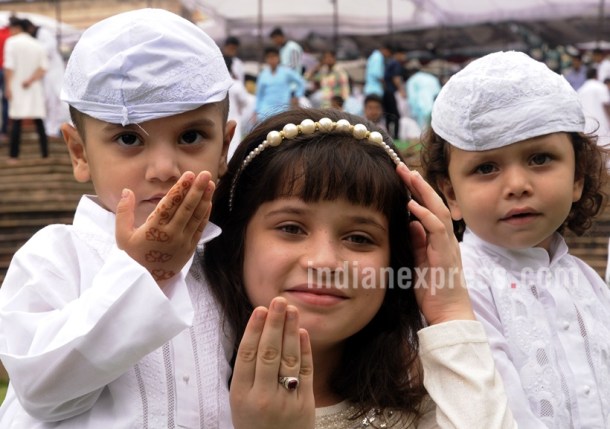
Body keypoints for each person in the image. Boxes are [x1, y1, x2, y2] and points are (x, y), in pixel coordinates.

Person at [203, 107, 517, 428]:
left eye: (359, 238)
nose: (324, 261)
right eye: (291, 228)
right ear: (237, 239)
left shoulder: (429, 397)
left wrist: (450, 312)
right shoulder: (182, 386)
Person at [0, 8, 235, 427]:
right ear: (79, 152)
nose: (164, 167)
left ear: (223, 149)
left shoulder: (228, 262)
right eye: (129, 138)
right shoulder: (53, 259)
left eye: (191, 136)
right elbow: (41, 390)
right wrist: (147, 272)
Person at [421, 50, 610, 429]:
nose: (517, 186)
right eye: (486, 167)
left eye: (540, 159)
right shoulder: (457, 286)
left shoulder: (589, 282)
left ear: (577, 178)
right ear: (451, 195)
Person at [4, 16, 48, 163]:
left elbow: (9, 67)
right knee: (39, 120)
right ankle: (45, 153)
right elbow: (43, 68)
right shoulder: (37, 44)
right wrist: (31, 80)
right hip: (34, 87)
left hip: (17, 86)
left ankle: (13, 155)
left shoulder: (11, 43)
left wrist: (8, 86)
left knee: (16, 119)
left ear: (16, 28)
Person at [254, 46, 305, 123]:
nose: (272, 59)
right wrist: (255, 111)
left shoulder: (286, 72)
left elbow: (301, 82)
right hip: (265, 111)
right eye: (269, 57)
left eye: (274, 56)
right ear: (266, 59)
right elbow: (259, 95)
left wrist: (297, 96)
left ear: (278, 57)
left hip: (282, 109)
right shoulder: (263, 75)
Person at [578, 67, 610, 151]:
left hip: (587, 127)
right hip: (602, 125)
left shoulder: (581, 90)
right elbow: (606, 105)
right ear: (596, 75)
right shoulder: (600, 86)